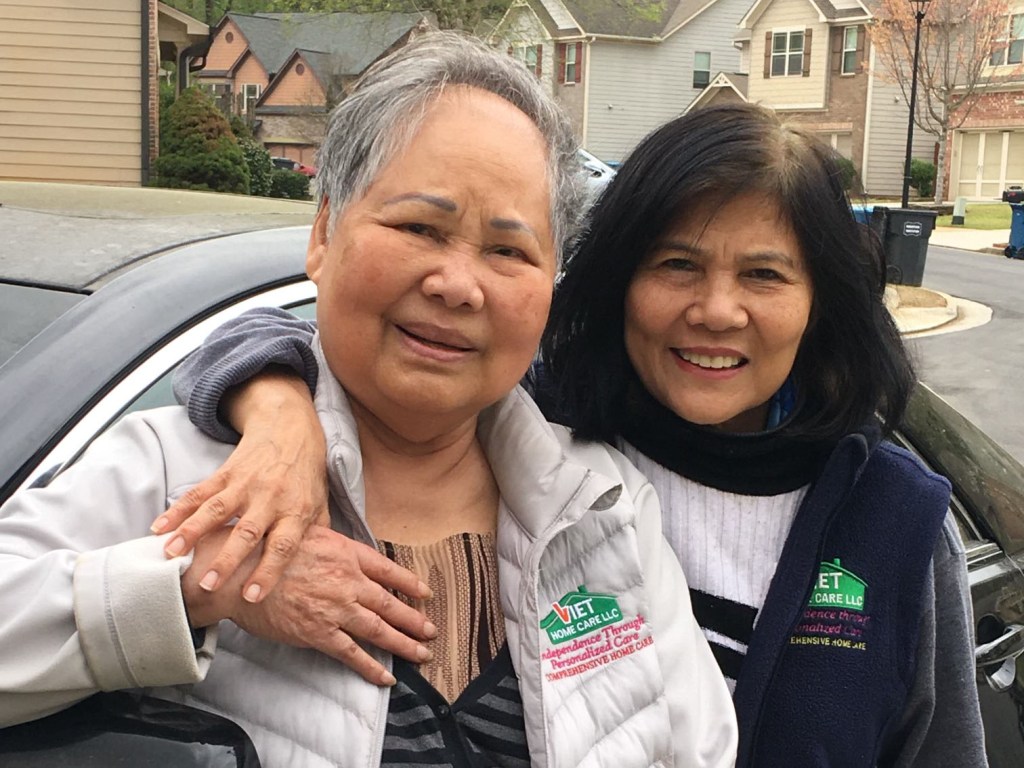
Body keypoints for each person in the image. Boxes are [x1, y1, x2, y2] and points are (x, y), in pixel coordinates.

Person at [164, 102, 987, 768]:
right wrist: (278, 414)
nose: (716, 310)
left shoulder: (892, 523)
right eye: (677, 265)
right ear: (618, 279)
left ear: (820, 303)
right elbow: (299, 338)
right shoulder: (534, 439)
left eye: (764, 275)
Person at [0, 33, 738, 768]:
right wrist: (196, 587)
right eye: (420, 228)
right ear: (324, 233)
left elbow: (701, 749)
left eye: (509, 251)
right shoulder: (183, 479)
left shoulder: (604, 506)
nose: (459, 285)